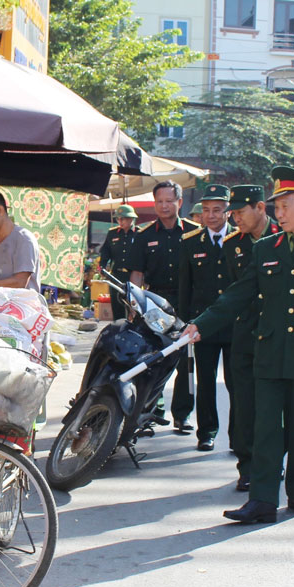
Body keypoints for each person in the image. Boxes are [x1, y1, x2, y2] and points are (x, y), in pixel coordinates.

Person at [183, 166, 294, 523]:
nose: (279, 213)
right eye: (275, 206)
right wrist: (202, 323)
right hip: (270, 352)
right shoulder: (265, 249)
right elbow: (239, 294)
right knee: (265, 431)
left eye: (286, 205)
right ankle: (261, 501)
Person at [220, 184, 280, 491]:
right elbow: (235, 292)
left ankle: (272, 462)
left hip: (276, 334)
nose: (235, 218)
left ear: (260, 207)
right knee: (244, 404)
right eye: (232, 212)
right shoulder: (233, 245)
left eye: (240, 212)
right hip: (244, 335)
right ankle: (246, 466)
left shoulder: (284, 238)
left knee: (272, 406)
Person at [128, 180, 200, 432]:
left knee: (185, 361)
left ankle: (182, 415)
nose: (164, 205)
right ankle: (148, 411)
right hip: (155, 304)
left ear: (180, 202)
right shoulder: (144, 235)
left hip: (186, 303)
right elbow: (136, 274)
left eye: (169, 201)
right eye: (159, 201)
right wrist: (133, 307)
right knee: (151, 359)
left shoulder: (194, 232)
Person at [178, 184, 236, 451]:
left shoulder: (240, 240)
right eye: (206, 211)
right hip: (204, 326)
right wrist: (186, 322)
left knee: (238, 384)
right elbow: (185, 288)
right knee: (205, 382)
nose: (211, 216)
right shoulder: (190, 243)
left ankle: (238, 436)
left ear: (228, 212)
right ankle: (207, 432)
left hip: (236, 326)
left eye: (217, 210)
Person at [98, 204, 139, 320]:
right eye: (118, 219)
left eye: (123, 218)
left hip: (133, 276)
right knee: (117, 305)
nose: (120, 221)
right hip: (116, 275)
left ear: (131, 218)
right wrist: (102, 266)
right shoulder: (112, 233)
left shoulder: (140, 234)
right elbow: (105, 252)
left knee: (133, 306)